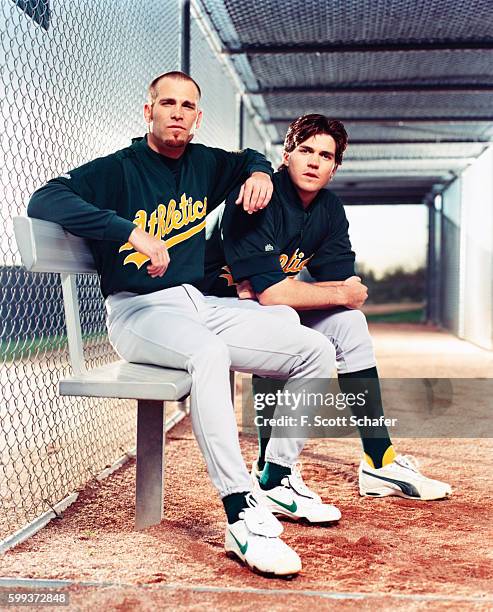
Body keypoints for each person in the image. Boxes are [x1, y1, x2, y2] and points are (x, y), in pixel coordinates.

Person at [27, 74, 343, 577]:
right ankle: (241, 513)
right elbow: (45, 200)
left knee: (315, 349)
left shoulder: (204, 163)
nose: (177, 112)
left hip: (197, 304)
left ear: (198, 118)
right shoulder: (119, 170)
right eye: (167, 103)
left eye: (188, 105)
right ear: (148, 109)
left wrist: (260, 172)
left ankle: (277, 475)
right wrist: (129, 231)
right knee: (209, 355)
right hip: (138, 312)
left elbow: (246, 160)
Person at [203, 113, 452, 511]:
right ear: (287, 155)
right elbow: (271, 297)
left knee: (349, 324)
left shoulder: (329, 209)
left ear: (335, 168)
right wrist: (295, 291)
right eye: (305, 151)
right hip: (212, 309)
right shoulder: (259, 195)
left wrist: (296, 290)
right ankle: (269, 470)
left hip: (260, 304)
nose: (315, 161)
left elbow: (348, 294)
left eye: (325, 155)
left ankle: (379, 460)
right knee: (280, 319)